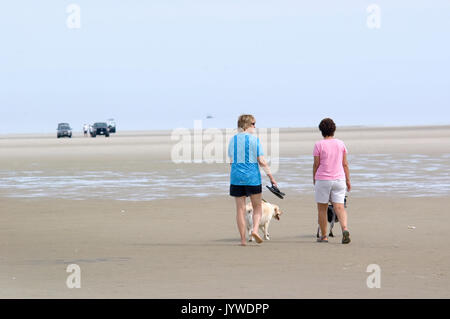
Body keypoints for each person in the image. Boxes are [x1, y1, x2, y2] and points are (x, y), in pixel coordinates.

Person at [228, 114, 278, 246]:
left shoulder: (233, 140)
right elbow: (261, 161)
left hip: (236, 178)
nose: (255, 126)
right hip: (253, 178)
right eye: (253, 124)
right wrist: (271, 178)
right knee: (257, 207)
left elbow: (231, 161)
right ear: (247, 125)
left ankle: (243, 240)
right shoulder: (254, 140)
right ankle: (255, 230)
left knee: (240, 209)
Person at [313, 118, 351, 244]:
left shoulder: (319, 145)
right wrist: (348, 180)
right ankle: (345, 229)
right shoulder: (341, 144)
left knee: (322, 208)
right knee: (339, 207)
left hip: (323, 179)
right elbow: (345, 164)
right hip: (339, 178)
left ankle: (324, 236)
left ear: (321, 131)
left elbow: (316, 164)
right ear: (334, 129)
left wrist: (314, 178)